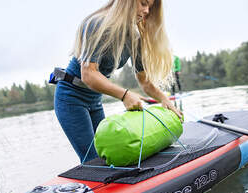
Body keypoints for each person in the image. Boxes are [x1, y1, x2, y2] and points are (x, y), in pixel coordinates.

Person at [53, 0, 183, 162]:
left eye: (150, 6)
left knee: (106, 153)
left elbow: (144, 81)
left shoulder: (135, 37)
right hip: (71, 97)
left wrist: (164, 100)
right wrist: (125, 95)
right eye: (143, 3)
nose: (147, 10)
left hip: (94, 100)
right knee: (93, 160)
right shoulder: (97, 24)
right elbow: (88, 74)